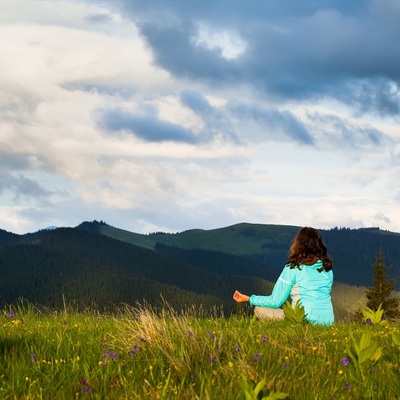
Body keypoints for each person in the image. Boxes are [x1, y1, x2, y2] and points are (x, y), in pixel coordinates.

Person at [233, 227, 334, 325]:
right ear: (319, 246)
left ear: (298, 244)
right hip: (328, 323)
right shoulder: (327, 269)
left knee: (260, 308)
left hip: (303, 322)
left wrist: (249, 299)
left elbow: (275, 301)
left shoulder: (294, 268)